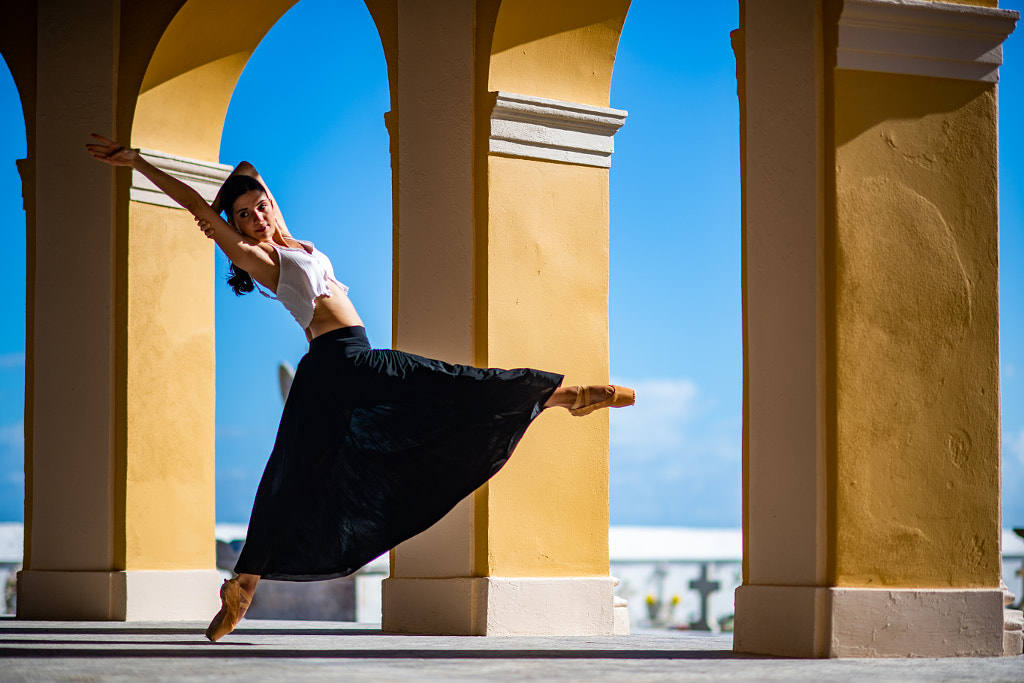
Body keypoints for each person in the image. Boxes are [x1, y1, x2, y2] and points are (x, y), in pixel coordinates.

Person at [86, 134, 635, 641]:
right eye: (244, 216)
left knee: (439, 394)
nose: (256, 218)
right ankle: (243, 589)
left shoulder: (290, 238)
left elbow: (250, 169)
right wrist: (144, 165)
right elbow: (197, 207)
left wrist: (243, 195)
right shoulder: (257, 257)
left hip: (347, 362)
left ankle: (567, 398)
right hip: (337, 364)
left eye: (260, 207)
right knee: (292, 474)